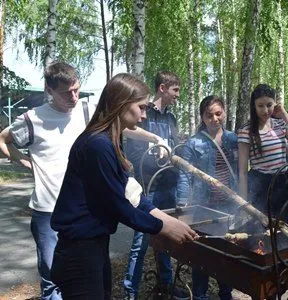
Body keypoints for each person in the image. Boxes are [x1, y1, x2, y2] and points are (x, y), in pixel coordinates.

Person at [49, 73, 198, 299]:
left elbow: (132, 194)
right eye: (141, 107)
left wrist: (169, 220)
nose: (144, 115)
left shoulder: (110, 140)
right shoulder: (97, 145)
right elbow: (118, 206)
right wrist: (163, 228)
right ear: (122, 104)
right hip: (78, 252)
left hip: (93, 245)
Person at [0, 62, 92, 300]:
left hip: (82, 210)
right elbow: (3, 139)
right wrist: (24, 162)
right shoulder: (33, 119)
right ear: (49, 90)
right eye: (66, 93)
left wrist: (155, 138)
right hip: (47, 212)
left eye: (76, 90)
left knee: (81, 274)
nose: (73, 97)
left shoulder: (86, 111)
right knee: (51, 279)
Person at [123, 71, 185, 299]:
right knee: (141, 240)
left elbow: (174, 147)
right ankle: (131, 292)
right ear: (162, 88)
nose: (178, 95)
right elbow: (127, 131)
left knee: (166, 237)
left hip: (169, 183)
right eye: (175, 90)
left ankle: (166, 284)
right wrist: (154, 148)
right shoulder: (143, 112)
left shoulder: (171, 118)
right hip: (147, 186)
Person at [177, 95, 237, 300]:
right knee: (201, 256)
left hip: (229, 207)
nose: (214, 118)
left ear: (225, 113)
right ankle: (200, 295)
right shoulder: (193, 143)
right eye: (209, 115)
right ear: (202, 117)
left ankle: (225, 294)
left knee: (227, 255)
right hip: (203, 207)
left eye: (218, 113)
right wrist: (182, 206)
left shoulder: (233, 139)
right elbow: (184, 175)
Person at [238, 84, 288, 230]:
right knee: (263, 232)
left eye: (269, 105)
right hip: (260, 186)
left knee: (287, 229)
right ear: (254, 106)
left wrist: (284, 114)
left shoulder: (279, 124)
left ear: (275, 104)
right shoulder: (246, 131)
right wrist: (244, 202)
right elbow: (243, 171)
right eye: (260, 105)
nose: (265, 110)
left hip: (283, 185)